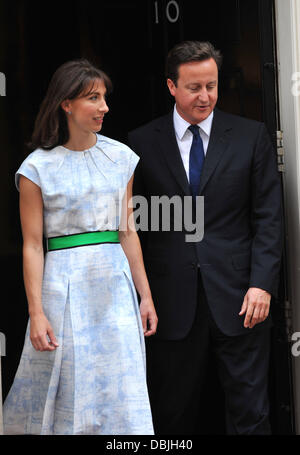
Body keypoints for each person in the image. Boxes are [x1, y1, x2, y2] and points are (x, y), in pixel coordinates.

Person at [128, 41, 283, 435]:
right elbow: (132, 227)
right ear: (171, 87)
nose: (205, 96)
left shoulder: (251, 136)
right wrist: (140, 294)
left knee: (251, 413)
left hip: (241, 298)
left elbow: (268, 217)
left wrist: (261, 284)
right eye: (194, 87)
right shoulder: (140, 144)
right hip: (169, 302)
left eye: (211, 86)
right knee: (171, 414)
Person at [3, 58, 157, 435]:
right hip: (63, 288)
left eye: (104, 97)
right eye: (93, 98)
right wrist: (36, 312)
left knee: (122, 383)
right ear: (66, 104)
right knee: (71, 383)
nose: (104, 107)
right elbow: (33, 246)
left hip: (115, 288)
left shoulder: (120, 157)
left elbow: (127, 231)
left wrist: (146, 296)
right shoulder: (37, 168)